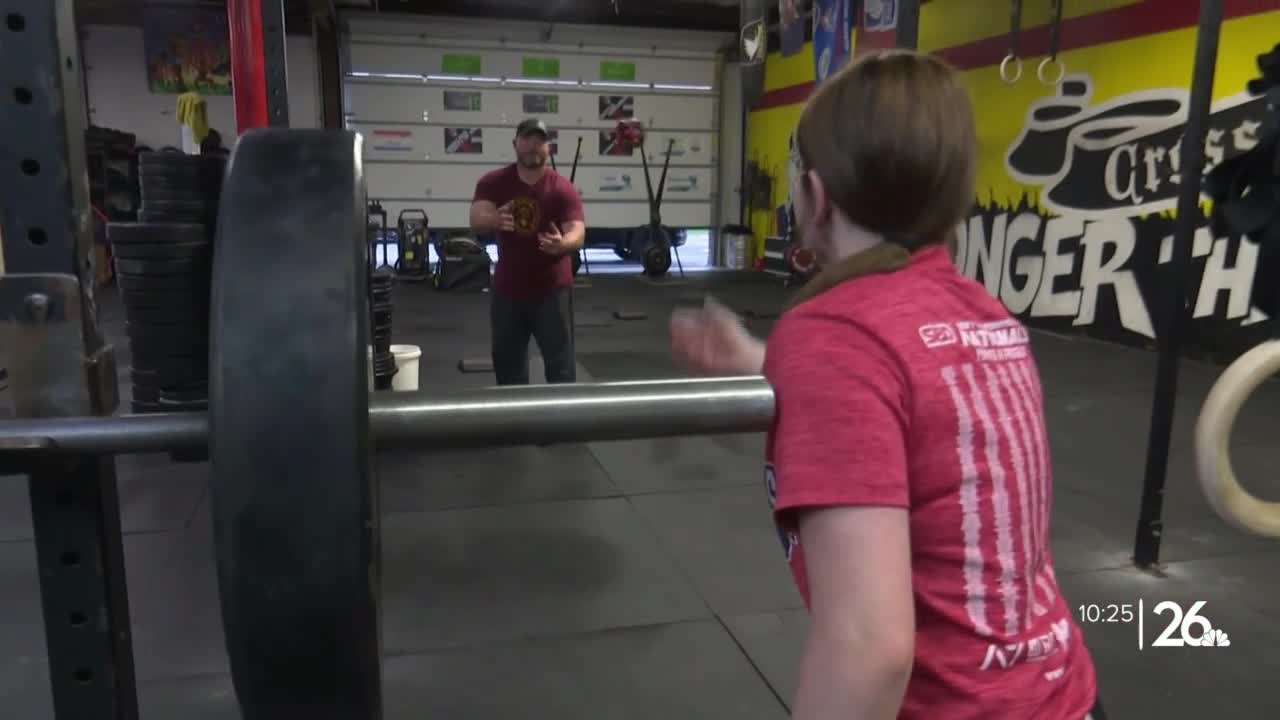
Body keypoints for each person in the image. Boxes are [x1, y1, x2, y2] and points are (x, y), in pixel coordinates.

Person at [671, 51, 1103, 720]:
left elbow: (869, 648)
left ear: (815, 195)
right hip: (1065, 696)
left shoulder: (833, 332)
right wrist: (761, 358)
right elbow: (907, 392)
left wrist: (799, 355)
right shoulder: (980, 311)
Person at [470, 118, 586, 385]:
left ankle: (560, 412)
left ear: (549, 148)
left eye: (540, 140)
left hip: (552, 292)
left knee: (561, 371)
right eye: (527, 139)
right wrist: (493, 219)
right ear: (515, 143)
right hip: (508, 292)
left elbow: (578, 231)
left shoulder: (562, 188)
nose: (533, 145)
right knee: (508, 372)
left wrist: (563, 244)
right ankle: (515, 413)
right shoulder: (494, 182)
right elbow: (476, 218)